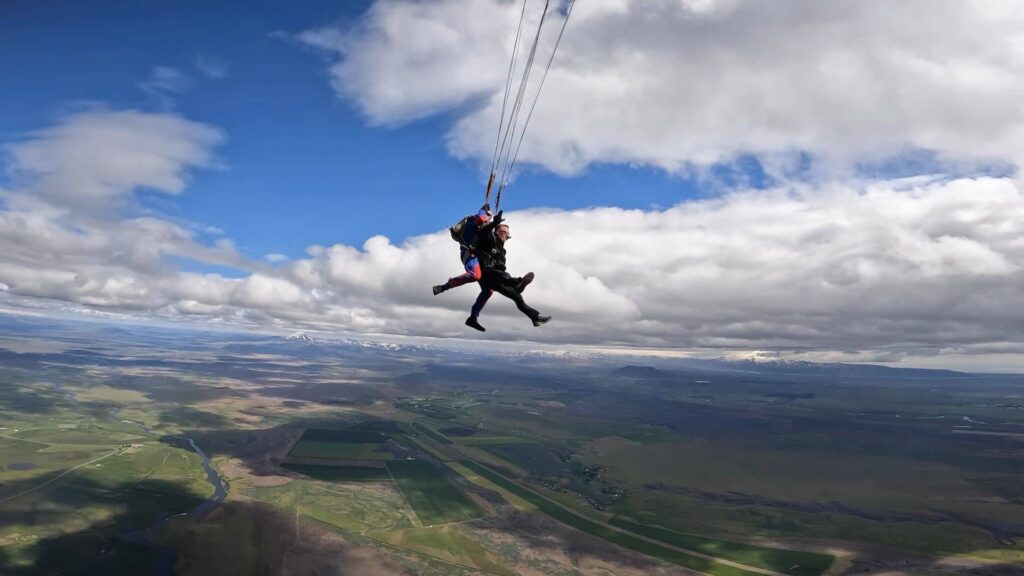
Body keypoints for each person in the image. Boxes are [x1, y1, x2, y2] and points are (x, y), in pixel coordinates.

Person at [464, 212, 550, 332]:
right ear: (496, 232)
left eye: (507, 234)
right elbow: (484, 232)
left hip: (497, 280)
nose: (505, 235)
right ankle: (518, 283)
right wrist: (494, 222)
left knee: (517, 297)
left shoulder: (502, 251)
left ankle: (535, 318)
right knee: (502, 275)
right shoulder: (490, 239)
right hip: (487, 274)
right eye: (503, 232)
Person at [432, 204, 492, 296]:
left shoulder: (484, 229)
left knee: (489, 290)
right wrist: (484, 209)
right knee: (475, 275)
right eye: (488, 215)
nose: (489, 218)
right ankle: (445, 286)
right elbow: (480, 218)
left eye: (490, 217)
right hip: (470, 254)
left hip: (481, 257)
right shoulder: (471, 222)